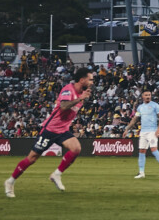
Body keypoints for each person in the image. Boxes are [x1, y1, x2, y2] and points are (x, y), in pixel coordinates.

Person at [5, 66, 94, 198]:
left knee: (76, 148)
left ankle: (56, 174)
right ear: (82, 80)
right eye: (90, 79)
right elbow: (63, 107)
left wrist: (82, 97)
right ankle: (10, 181)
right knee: (32, 158)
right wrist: (80, 98)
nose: (92, 82)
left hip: (63, 130)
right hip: (50, 130)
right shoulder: (68, 90)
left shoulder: (82, 93)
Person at [126, 89, 159, 180]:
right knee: (141, 152)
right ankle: (141, 172)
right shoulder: (140, 107)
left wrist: (158, 129)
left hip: (152, 131)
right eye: (146, 95)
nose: (148, 96)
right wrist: (127, 129)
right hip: (143, 132)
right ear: (142, 96)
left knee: (154, 150)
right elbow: (135, 119)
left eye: (149, 95)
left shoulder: (155, 105)